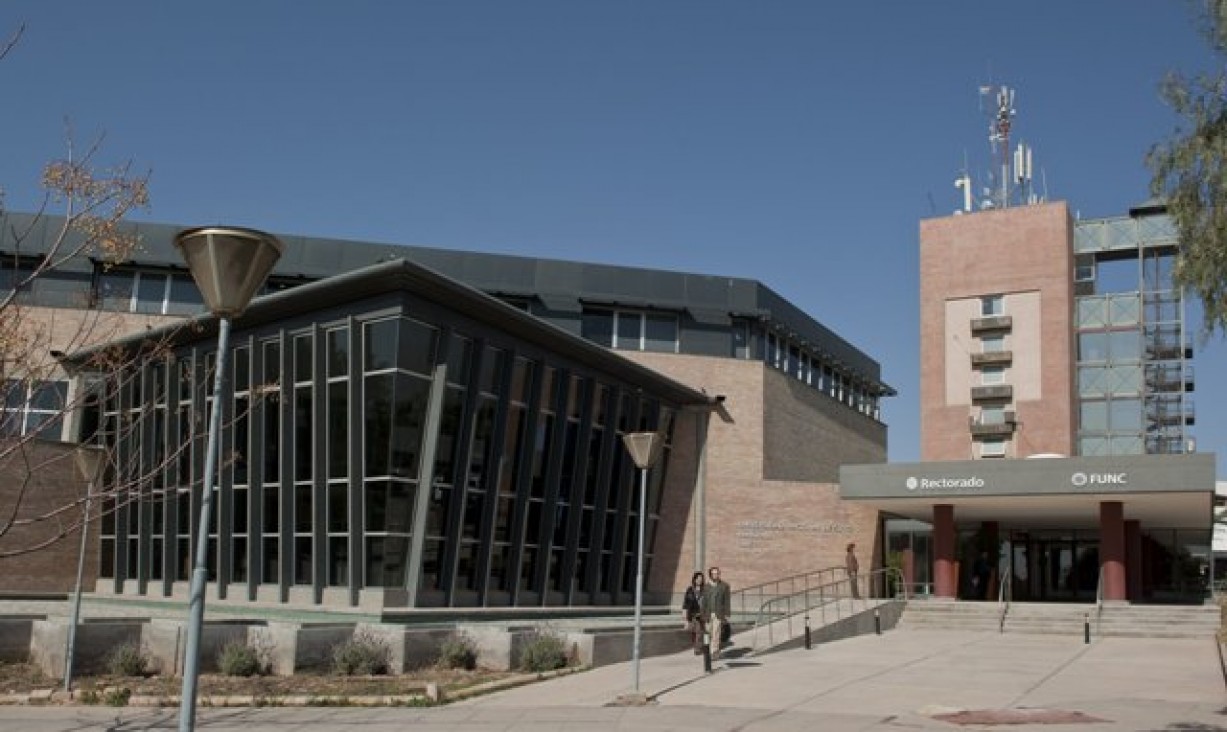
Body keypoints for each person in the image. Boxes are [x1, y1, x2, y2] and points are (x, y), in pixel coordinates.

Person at [704, 566, 731, 659]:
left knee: (716, 633)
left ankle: (714, 652)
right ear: (710, 575)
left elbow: (727, 601)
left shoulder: (724, 586)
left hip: (718, 614)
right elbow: (703, 602)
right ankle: (711, 650)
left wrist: (727, 613)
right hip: (708, 614)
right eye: (713, 573)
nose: (716, 575)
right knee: (709, 632)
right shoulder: (706, 587)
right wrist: (702, 614)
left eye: (717, 573)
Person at [681, 571, 707, 654]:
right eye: (698, 579)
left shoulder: (705, 590)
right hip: (691, 614)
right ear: (694, 579)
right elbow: (685, 603)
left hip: (701, 615)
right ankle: (697, 646)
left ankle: (698, 649)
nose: (699, 580)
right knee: (693, 631)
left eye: (701, 579)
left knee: (699, 631)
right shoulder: (690, 590)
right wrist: (684, 618)